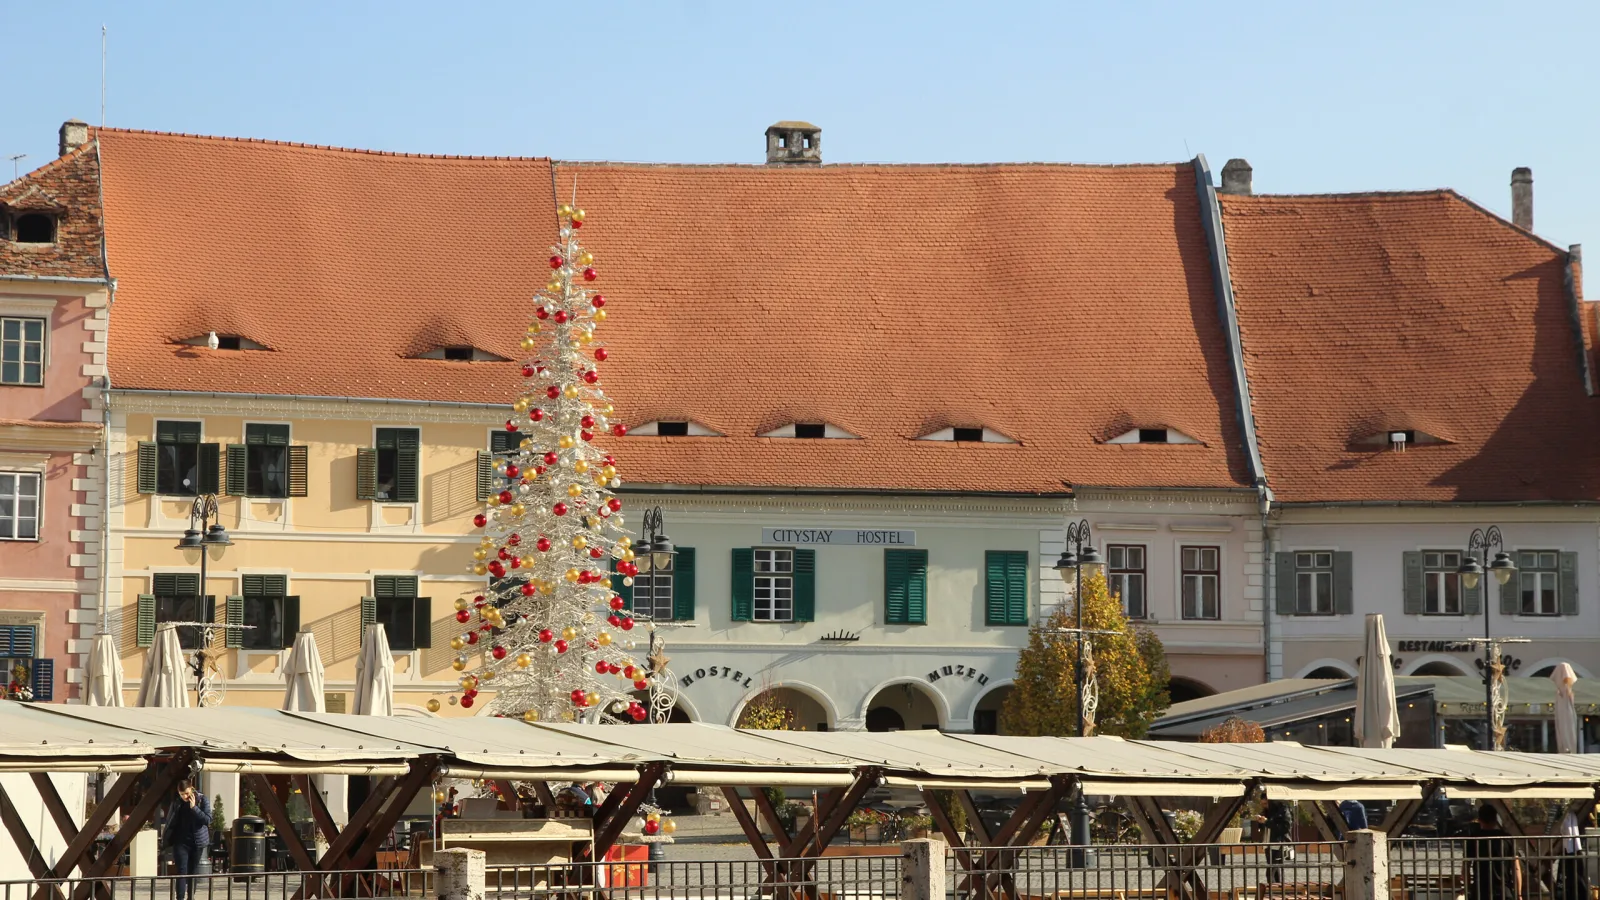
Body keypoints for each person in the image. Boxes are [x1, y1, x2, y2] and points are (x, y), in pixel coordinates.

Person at [163, 780, 210, 900]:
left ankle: (190, 897)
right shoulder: (177, 803)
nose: (185, 796)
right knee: (181, 871)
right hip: (181, 842)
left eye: (187, 793)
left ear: (192, 789)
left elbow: (207, 820)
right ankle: (180, 898)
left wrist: (194, 808)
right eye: (181, 794)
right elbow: (170, 821)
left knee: (192, 872)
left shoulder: (202, 800)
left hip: (197, 842)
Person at [1463, 803, 1520, 900]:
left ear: (1479, 820)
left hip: (1480, 891)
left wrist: (1467, 889)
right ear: (1495, 819)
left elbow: (1466, 867)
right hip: (1503, 890)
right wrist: (1519, 894)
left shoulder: (1473, 839)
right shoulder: (1507, 839)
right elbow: (1516, 868)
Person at [1253, 800, 1294, 883]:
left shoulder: (1282, 811)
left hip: (1278, 843)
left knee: (1271, 871)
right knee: (1275, 870)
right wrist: (1261, 822)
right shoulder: (1268, 811)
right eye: (1262, 804)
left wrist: (1267, 822)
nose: (1264, 806)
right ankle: (1277, 890)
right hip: (1268, 843)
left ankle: (1274, 891)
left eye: (1265, 803)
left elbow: (1284, 828)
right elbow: (1266, 827)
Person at [1555, 807, 1591, 900]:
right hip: (1570, 849)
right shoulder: (1569, 815)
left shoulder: (1568, 815)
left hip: (1570, 849)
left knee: (1575, 880)